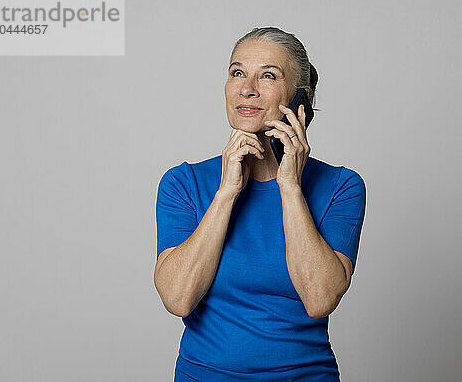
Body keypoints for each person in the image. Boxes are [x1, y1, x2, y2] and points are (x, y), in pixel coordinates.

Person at [154, 27, 367, 382]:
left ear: (301, 98)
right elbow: (178, 299)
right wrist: (225, 193)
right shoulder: (183, 183)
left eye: (268, 75)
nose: (247, 88)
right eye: (237, 72)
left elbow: (319, 298)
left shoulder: (342, 187)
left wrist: (290, 186)